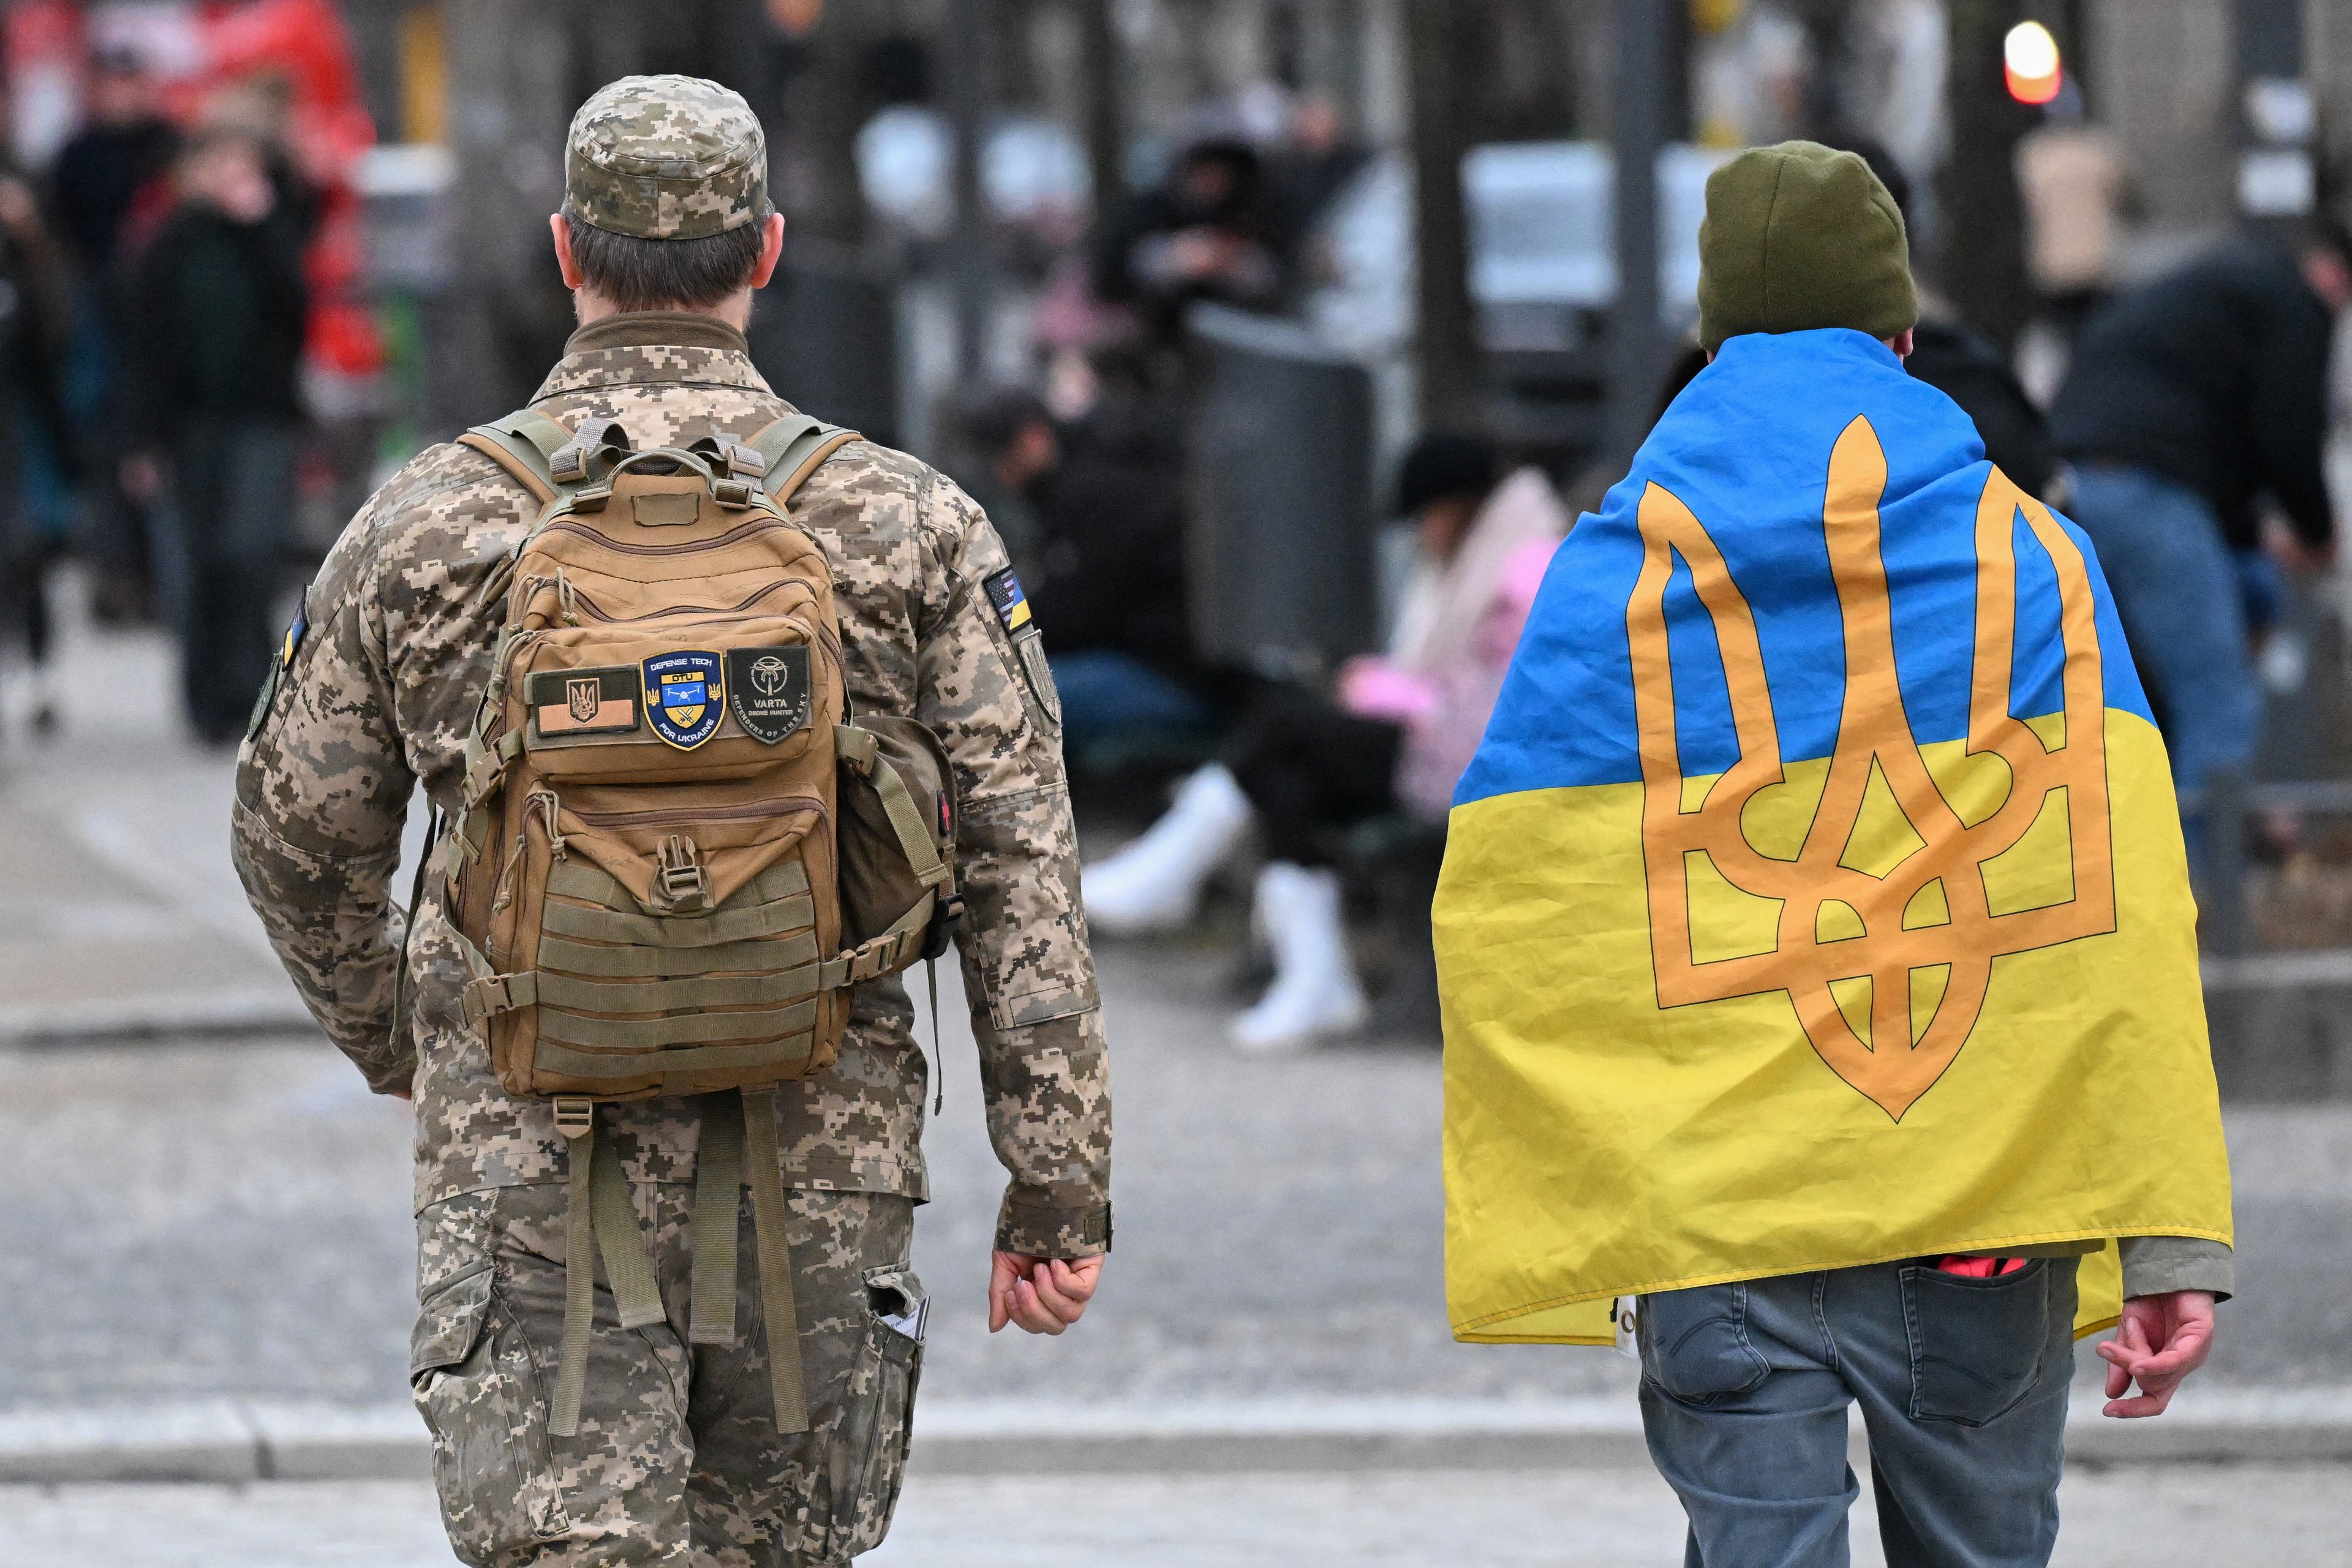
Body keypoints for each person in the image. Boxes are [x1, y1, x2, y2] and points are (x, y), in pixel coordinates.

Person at [232, 77, 1110, 1564]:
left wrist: (400, 1033)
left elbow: (294, 831)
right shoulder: (908, 520)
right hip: (816, 1156)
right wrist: (1055, 1180)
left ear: (568, 250)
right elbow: (1019, 868)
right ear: (764, 251)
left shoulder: (433, 515)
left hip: (529, 1151)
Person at [1438, 142, 2234, 1568]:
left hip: (1719, 1222)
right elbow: (2124, 909)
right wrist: (2169, 1236)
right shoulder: (2027, 558)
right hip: (1975, 1206)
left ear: (1707, 335)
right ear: (1900, 333)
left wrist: (1602, 1170)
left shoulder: (1616, 577)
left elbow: (1520, 906)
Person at [1085, 434, 1567, 1050]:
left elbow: (1499, 698)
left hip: (1468, 763)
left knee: (1287, 734)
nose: (1423, 535)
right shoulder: (1495, 554)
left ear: (1458, 506)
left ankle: (1196, 882)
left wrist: (1380, 691)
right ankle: (1301, 969)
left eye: (1427, 518)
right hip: (1445, 748)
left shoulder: (1526, 562)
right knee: (1289, 770)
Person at [2048, 221, 2346, 802]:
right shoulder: (2293, 299)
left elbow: (2218, 447)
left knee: (2122, 700)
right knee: (2216, 696)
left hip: (2072, 484)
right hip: (2149, 495)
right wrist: (2318, 531)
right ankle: (2210, 880)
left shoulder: (2209, 291)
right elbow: (2287, 433)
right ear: (2332, 274)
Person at [124, 128, 312, 745]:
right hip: (191, 428)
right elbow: (144, 347)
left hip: (261, 422)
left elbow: (296, 310)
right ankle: (209, 701)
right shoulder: (170, 244)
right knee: (199, 563)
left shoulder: (268, 238)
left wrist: (262, 229)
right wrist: (141, 441)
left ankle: (257, 688)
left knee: (252, 555)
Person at [956, 386, 1208, 759]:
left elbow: (1070, 615)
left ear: (1033, 439)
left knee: (1002, 696)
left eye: (1000, 456)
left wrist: (991, 610)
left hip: (1174, 673)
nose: (997, 473)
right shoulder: (1081, 479)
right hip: (1144, 658)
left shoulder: (1089, 492)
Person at [48, 47, 178, 626]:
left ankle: (155, 579)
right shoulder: (78, 155)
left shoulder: (169, 147)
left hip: (157, 321)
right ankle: (116, 576)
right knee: (107, 450)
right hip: (100, 321)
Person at [1091, 137, 1287, 344]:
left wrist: (1232, 264)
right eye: (1207, 175)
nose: (1212, 185)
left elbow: (1272, 283)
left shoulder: (1251, 216)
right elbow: (1113, 273)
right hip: (1143, 332)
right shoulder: (1151, 210)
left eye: (1222, 179)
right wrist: (1175, 259)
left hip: (1223, 339)